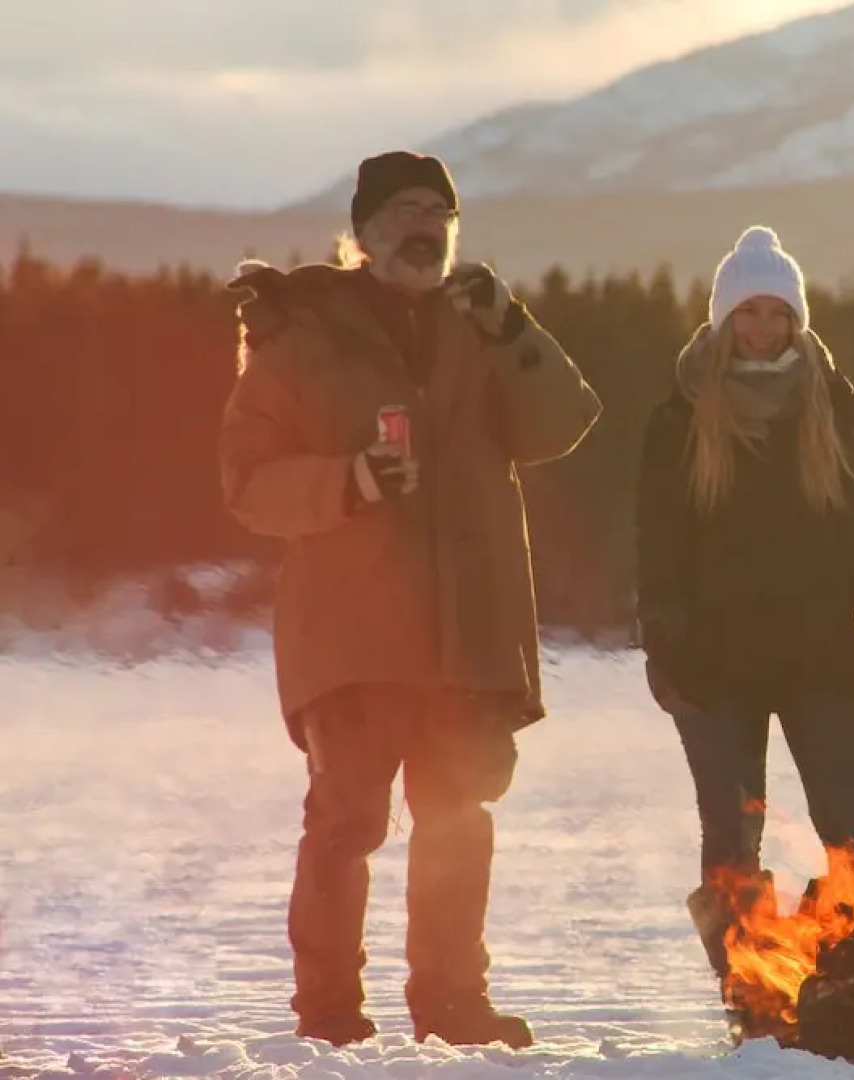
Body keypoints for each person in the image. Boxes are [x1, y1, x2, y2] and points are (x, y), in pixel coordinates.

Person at [218, 150, 602, 1048]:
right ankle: (327, 1018)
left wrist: (515, 329)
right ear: (362, 234)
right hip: (352, 632)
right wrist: (347, 480)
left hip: (467, 632)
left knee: (459, 823)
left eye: (439, 209)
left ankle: (453, 1005)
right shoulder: (304, 335)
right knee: (346, 825)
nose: (425, 224)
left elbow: (564, 422)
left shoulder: (484, 329)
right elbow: (247, 485)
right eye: (404, 211)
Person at [634, 225, 854, 976]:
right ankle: (751, 994)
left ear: (797, 321)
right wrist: (662, 634)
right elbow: (657, 540)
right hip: (713, 662)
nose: (761, 329)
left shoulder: (832, 401)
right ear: (721, 320)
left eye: (776, 313)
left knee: (852, 835)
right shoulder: (681, 413)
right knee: (731, 843)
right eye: (747, 313)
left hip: (818, 654)